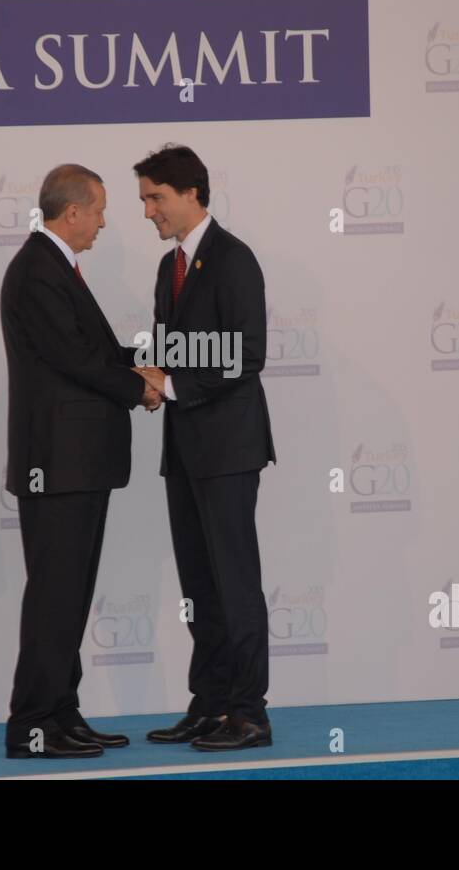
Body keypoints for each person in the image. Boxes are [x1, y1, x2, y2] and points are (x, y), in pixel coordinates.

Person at [0, 163, 161, 759]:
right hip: (58, 463)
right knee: (54, 597)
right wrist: (137, 387)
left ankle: (61, 716)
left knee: (66, 596)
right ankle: (34, 727)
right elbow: (74, 358)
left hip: (75, 464)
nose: (102, 223)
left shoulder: (52, 268)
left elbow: (91, 350)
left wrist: (150, 360)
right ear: (72, 212)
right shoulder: (38, 271)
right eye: (98, 211)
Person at [130, 145, 278, 751]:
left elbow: (248, 353)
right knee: (200, 587)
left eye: (155, 198)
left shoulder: (235, 259)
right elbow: (177, 354)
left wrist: (173, 383)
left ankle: (250, 714)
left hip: (229, 450)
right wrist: (148, 376)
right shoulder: (171, 267)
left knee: (234, 582)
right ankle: (211, 705)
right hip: (184, 450)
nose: (147, 212)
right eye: (143, 200)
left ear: (192, 193)